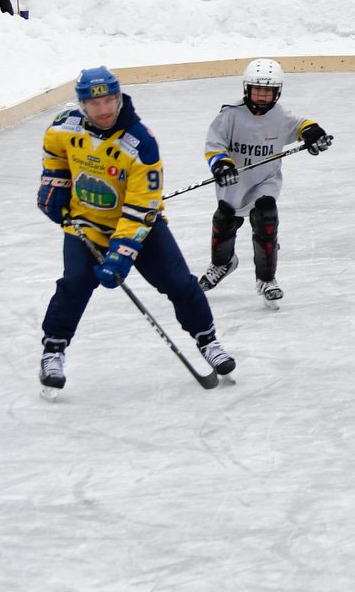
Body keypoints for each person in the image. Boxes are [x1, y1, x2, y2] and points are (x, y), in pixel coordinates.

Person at [35, 67, 236, 393]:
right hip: (85, 223)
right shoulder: (64, 127)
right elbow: (56, 154)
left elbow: (140, 208)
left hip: (141, 226)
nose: (104, 110)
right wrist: (54, 184)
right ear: (82, 104)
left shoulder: (141, 143)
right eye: (95, 103)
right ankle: (53, 350)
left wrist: (120, 255)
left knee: (179, 283)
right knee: (75, 283)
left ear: (119, 97)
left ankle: (208, 341)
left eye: (110, 100)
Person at [199, 59, 332, 307]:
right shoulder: (230, 115)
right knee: (225, 219)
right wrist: (221, 164)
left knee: (266, 217)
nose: (261, 96)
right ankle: (222, 263)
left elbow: (303, 126)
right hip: (235, 182)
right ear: (246, 89)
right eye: (256, 90)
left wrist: (314, 134)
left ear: (277, 92)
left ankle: (267, 280)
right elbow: (214, 144)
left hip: (265, 181)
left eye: (267, 91)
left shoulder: (279, 116)